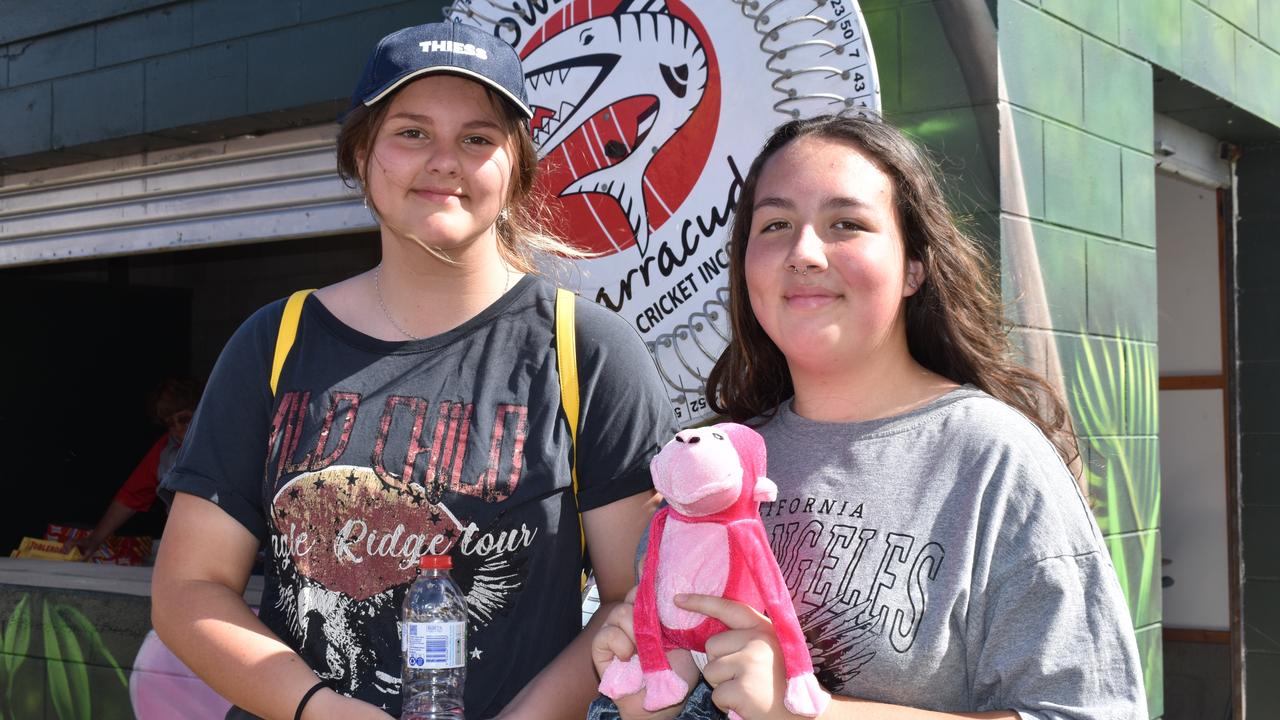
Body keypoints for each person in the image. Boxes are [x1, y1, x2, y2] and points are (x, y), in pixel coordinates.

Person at [151, 20, 674, 720]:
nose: (445, 161)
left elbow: (633, 597)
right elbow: (188, 589)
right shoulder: (273, 343)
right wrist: (319, 710)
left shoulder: (588, 351)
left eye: (478, 139)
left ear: (515, 167)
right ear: (363, 154)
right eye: (412, 133)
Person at [590, 115, 1148, 720]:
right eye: (775, 225)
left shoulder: (995, 460)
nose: (803, 252)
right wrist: (644, 704)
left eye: (846, 225)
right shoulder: (710, 466)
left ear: (915, 267)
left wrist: (812, 712)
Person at [69, 377, 201, 561]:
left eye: (185, 420)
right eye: (170, 424)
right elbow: (131, 497)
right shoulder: (165, 450)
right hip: (189, 548)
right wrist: (95, 539)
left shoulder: (227, 441)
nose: (177, 430)